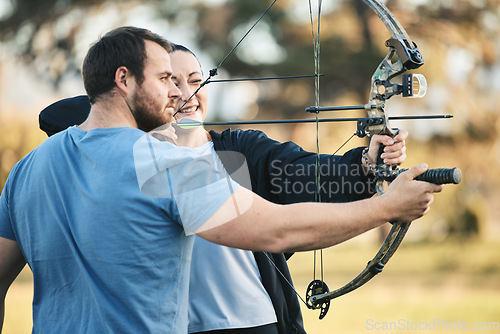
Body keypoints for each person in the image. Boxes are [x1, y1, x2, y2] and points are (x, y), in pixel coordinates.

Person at [0, 26, 442, 334]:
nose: (180, 94)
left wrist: (362, 167)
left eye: (190, 80)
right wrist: (388, 207)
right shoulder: (161, 162)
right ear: (124, 79)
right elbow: (276, 229)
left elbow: (301, 175)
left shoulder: (27, 169)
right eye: (166, 79)